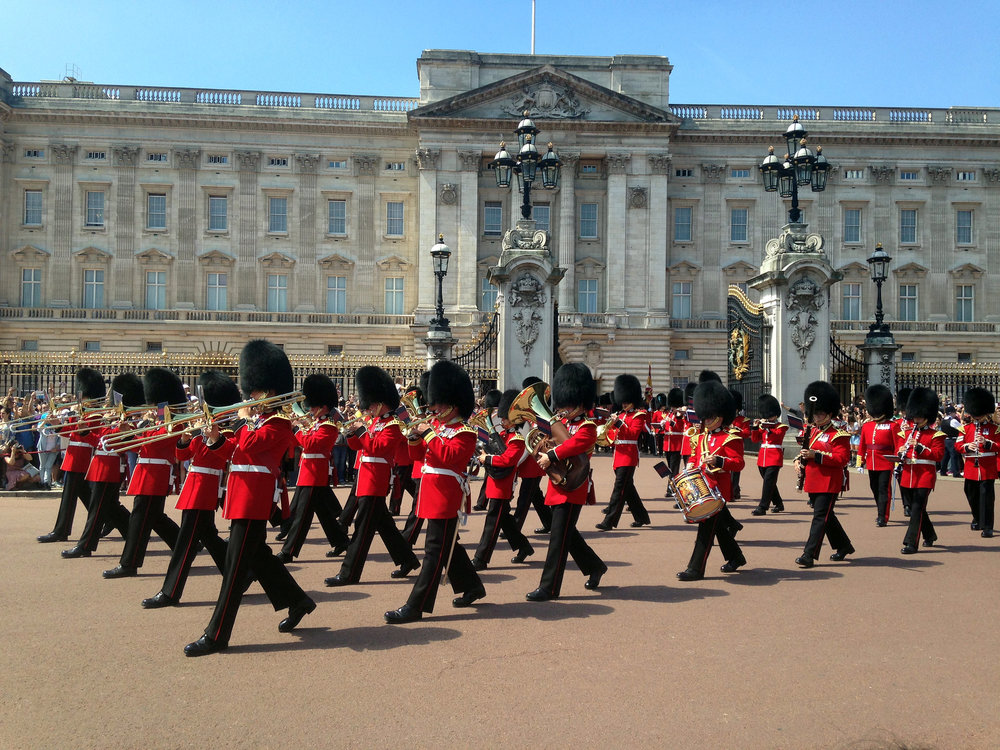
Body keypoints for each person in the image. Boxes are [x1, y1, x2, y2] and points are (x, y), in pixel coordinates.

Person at [184, 339, 316, 657]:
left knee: (233, 570)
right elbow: (235, 451)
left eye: (255, 391)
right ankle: (298, 600)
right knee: (258, 558)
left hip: (255, 499)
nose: (250, 395)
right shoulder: (257, 420)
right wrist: (215, 438)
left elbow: (253, 446)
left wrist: (241, 420)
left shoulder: (280, 423)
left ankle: (216, 634)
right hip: (240, 495)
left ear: (269, 391)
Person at [385, 360, 486, 623]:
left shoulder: (465, 432)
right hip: (431, 493)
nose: (434, 408)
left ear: (454, 404)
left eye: (439, 403)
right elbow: (419, 457)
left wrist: (428, 434)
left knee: (434, 552)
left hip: (446, 495)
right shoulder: (439, 428)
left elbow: (450, 457)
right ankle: (473, 586)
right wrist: (414, 439)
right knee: (448, 546)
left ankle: (415, 605)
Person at [141, 370, 239, 608]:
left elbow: (215, 454)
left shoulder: (225, 432)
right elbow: (182, 455)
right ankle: (240, 575)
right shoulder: (203, 428)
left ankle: (170, 592)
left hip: (203, 490)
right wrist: (185, 438)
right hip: (193, 487)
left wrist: (207, 434)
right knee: (210, 538)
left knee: (184, 544)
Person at [325, 366, 419, 586]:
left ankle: (349, 573)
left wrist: (360, 431)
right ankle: (407, 559)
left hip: (376, 481)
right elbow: (360, 447)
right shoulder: (375, 422)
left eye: (372, 404)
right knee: (385, 527)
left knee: (362, 530)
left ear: (382, 402)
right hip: (366, 479)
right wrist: (351, 434)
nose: (369, 408)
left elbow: (377, 449)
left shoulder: (393, 425)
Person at [526, 363, 607, 601]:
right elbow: (545, 443)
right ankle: (594, 566)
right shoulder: (561, 424)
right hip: (556, 482)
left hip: (574, 485)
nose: (563, 408)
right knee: (567, 534)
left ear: (581, 403)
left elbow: (573, 445)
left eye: (568, 403)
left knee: (558, 538)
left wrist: (551, 454)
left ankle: (549, 587)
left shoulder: (587, 427)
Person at [102, 367, 184, 579]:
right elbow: (142, 446)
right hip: (146, 472)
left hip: (155, 475)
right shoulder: (158, 420)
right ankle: (184, 547)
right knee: (155, 518)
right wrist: (127, 433)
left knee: (139, 520)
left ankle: (129, 563)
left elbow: (155, 445)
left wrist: (131, 433)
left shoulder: (173, 422)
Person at [61, 373, 146, 558]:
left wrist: (112, 425)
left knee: (97, 509)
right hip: (100, 466)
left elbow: (115, 444)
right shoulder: (111, 417)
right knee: (108, 507)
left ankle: (85, 546)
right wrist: (84, 431)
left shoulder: (126, 421)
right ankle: (132, 533)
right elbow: (97, 441)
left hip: (110, 467)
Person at [675, 378, 746, 581]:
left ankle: (695, 569)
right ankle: (736, 557)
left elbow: (738, 463)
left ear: (720, 415)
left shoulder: (731, 437)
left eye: (709, 417)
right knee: (719, 528)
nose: (705, 421)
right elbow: (695, 456)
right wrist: (689, 466)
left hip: (717, 489)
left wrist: (720, 461)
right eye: (704, 417)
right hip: (701, 487)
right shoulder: (703, 436)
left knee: (705, 529)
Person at [277, 373, 350, 562]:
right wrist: (289, 427)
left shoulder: (328, 426)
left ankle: (288, 551)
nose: (310, 409)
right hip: (307, 473)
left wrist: (297, 429)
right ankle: (341, 541)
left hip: (315, 474)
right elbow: (298, 442)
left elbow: (309, 444)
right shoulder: (315, 424)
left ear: (323, 407)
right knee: (324, 514)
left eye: (313, 406)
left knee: (301, 517)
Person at [37, 368, 104, 543]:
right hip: (72, 455)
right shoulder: (81, 411)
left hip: (82, 457)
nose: (81, 398)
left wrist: (78, 425)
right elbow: (71, 433)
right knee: (85, 496)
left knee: (69, 496)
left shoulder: (95, 413)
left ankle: (61, 530)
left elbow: (88, 435)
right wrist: (57, 424)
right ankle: (108, 519)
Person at [471, 387, 534, 570]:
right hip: (495, 481)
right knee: (504, 519)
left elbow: (508, 460)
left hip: (503, 484)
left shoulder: (517, 439)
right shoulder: (505, 435)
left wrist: (487, 458)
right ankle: (524, 547)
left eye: (505, 418)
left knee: (492, 523)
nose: (502, 421)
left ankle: (481, 559)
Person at [794, 381, 855, 568]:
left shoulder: (839, 435)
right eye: (815, 414)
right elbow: (805, 452)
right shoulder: (810, 432)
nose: (817, 417)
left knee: (820, 517)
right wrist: (798, 460)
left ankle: (809, 554)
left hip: (829, 481)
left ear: (829, 414)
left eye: (820, 414)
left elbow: (842, 459)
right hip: (812, 480)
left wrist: (817, 456)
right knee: (827, 516)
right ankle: (844, 546)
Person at [596, 373, 651, 530]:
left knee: (619, 488)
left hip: (629, 455)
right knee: (628, 488)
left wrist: (619, 423)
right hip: (618, 454)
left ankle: (609, 521)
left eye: (627, 402)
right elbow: (613, 433)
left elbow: (633, 434)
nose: (624, 404)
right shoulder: (620, 414)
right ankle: (642, 516)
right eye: (623, 402)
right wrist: (608, 429)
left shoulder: (639, 415)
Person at [895, 387, 945, 555]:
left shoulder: (936, 435)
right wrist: (901, 451)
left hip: (925, 475)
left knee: (916, 508)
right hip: (908, 475)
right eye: (914, 415)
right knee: (920, 509)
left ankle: (911, 543)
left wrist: (921, 447)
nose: (915, 419)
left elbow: (938, 456)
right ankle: (930, 535)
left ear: (927, 416)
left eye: (919, 415)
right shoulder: (906, 433)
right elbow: (899, 452)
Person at [956, 387, 997, 537]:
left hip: (987, 467)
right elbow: (958, 445)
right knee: (970, 494)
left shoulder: (995, 429)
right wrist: (967, 447)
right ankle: (977, 517)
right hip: (971, 467)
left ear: (986, 413)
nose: (977, 418)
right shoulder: (965, 429)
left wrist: (987, 443)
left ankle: (988, 526)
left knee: (987, 497)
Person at [858, 384, 896, 527]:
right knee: (874, 488)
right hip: (871, 462)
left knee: (883, 489)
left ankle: (883, 516)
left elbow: (897, 445)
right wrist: (859, 462)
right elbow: (863, 445)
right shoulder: (868, 425)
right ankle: (880, 509)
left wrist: (897, 462)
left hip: (886, 462)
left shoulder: (893, 425)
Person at [750, 394, 787, 515]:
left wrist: (767, 427)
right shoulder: (762, 426)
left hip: (774, 458)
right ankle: (779, 503)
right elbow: (755, 440)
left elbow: (776, 435)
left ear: (776, 414)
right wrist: (756, 428)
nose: (769, 417)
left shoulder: (781, 426)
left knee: (768, 482)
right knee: (769, 483)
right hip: (762, 458)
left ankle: (763, 507)